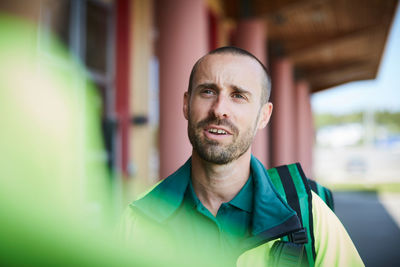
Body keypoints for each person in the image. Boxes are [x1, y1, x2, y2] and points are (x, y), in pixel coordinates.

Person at [119, 46, 364, 266]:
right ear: (186, 104)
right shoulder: (140, 217)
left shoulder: (309, 214)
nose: (219, 110)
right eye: (207, 91)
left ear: (264, 115)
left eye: (238, 96)